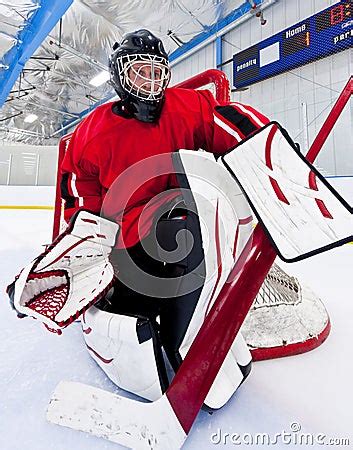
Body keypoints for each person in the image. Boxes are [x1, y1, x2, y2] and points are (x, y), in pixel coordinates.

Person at [60, 29, 269, 318]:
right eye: (140, 72)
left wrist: (270, 146)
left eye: (157, 72)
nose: (150, 81)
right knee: (141, 297)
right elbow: (78, 188)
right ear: (120, 76)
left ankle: (192, 315)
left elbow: (227, 122)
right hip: (125, 231)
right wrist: (89, 238)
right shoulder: (94, 132)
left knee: (201, 225)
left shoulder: (184, 107)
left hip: (174, 213)